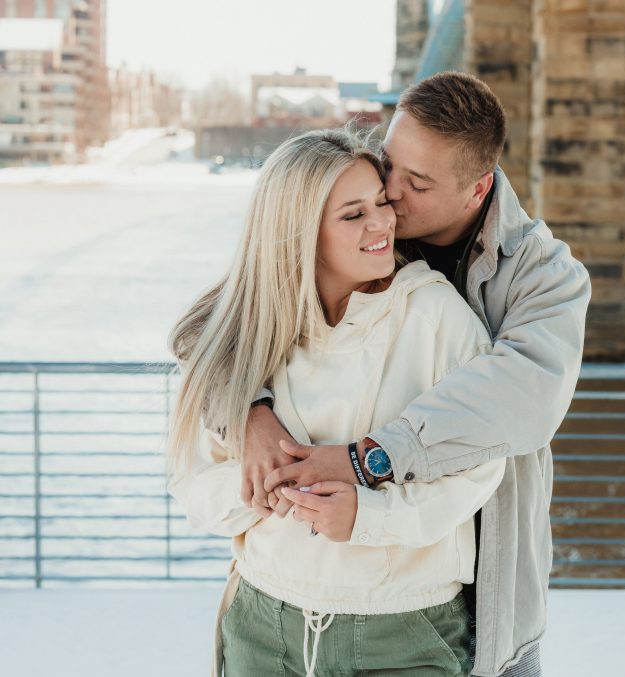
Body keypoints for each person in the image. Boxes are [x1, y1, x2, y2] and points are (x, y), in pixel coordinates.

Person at [244, 72, 592, 677]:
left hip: (475, 585)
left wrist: (365, 458)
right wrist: (251, 404)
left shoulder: (546, 276)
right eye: (388, 163)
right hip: (330, 582)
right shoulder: (365, 231)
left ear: (477, 189)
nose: (389, 194)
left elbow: (527, 398)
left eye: (417, 183)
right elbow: (221, 317)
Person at [166, 127, 505, 677]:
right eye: (353, 215)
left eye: (381, 203)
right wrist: (260, 486)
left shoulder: (437, 320)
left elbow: (475, 473)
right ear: (300, 233)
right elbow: (192, 482)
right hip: (264, 626)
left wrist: (365, 516)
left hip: (403, 634)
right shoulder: (244, 339)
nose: (383, 224)